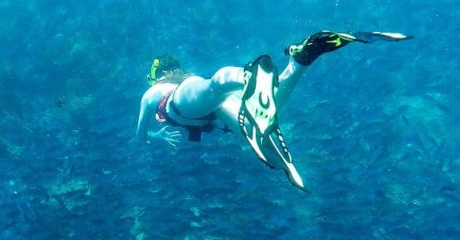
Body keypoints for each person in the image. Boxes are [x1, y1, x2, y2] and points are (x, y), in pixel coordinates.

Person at [135, 31, 412, 190]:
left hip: (180, 103)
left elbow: (139, 137)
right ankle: (299, 61)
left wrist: (155, 136)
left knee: (212, 87)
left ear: (157, 75)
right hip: (217, 111)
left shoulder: (154, 92)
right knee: (264, 123)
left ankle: (245, 76)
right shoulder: (186, 77)